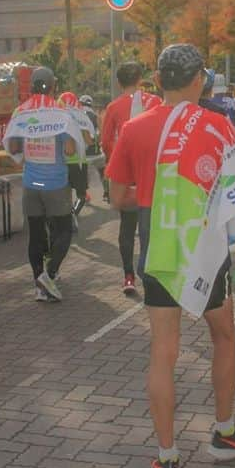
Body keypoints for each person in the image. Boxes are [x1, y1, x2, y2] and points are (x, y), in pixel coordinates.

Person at [107, 44, 235, 468]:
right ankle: (225, 432)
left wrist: (156, 194)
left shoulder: (135, 128)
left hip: (158, 248)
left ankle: (167, 458)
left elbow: (117, 197)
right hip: (207, 249)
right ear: (199, 80)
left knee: (164, 352)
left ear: (158, 81)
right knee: (224, 336)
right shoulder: (218, 125)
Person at [4, 67, 78, 302]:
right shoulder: (60, 111)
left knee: (36, 235)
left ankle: (39, 284)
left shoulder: (20, 111)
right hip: (56, 182)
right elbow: (69, 149)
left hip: (31, 182)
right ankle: (51, 274)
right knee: (64, 230)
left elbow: (13, 147)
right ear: (53, 85)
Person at [101, 62, 162, 295]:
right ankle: (153, 272)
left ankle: (128, 276)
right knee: (152, 226)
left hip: (128, 176)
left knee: (127, 228)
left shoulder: (114, 107)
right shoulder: (156, 102)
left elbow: (106, 141)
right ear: (140, 80)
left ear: (118, 82)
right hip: (154, 174)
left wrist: (115, 169)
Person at [58, 91, 92, 216]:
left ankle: (66, 217)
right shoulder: (81, 117)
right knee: (81, 196)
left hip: (62, 161)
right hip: (79, 163)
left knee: (65, 194)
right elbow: (89, 141)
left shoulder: (57, 117)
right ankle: (73, 214)